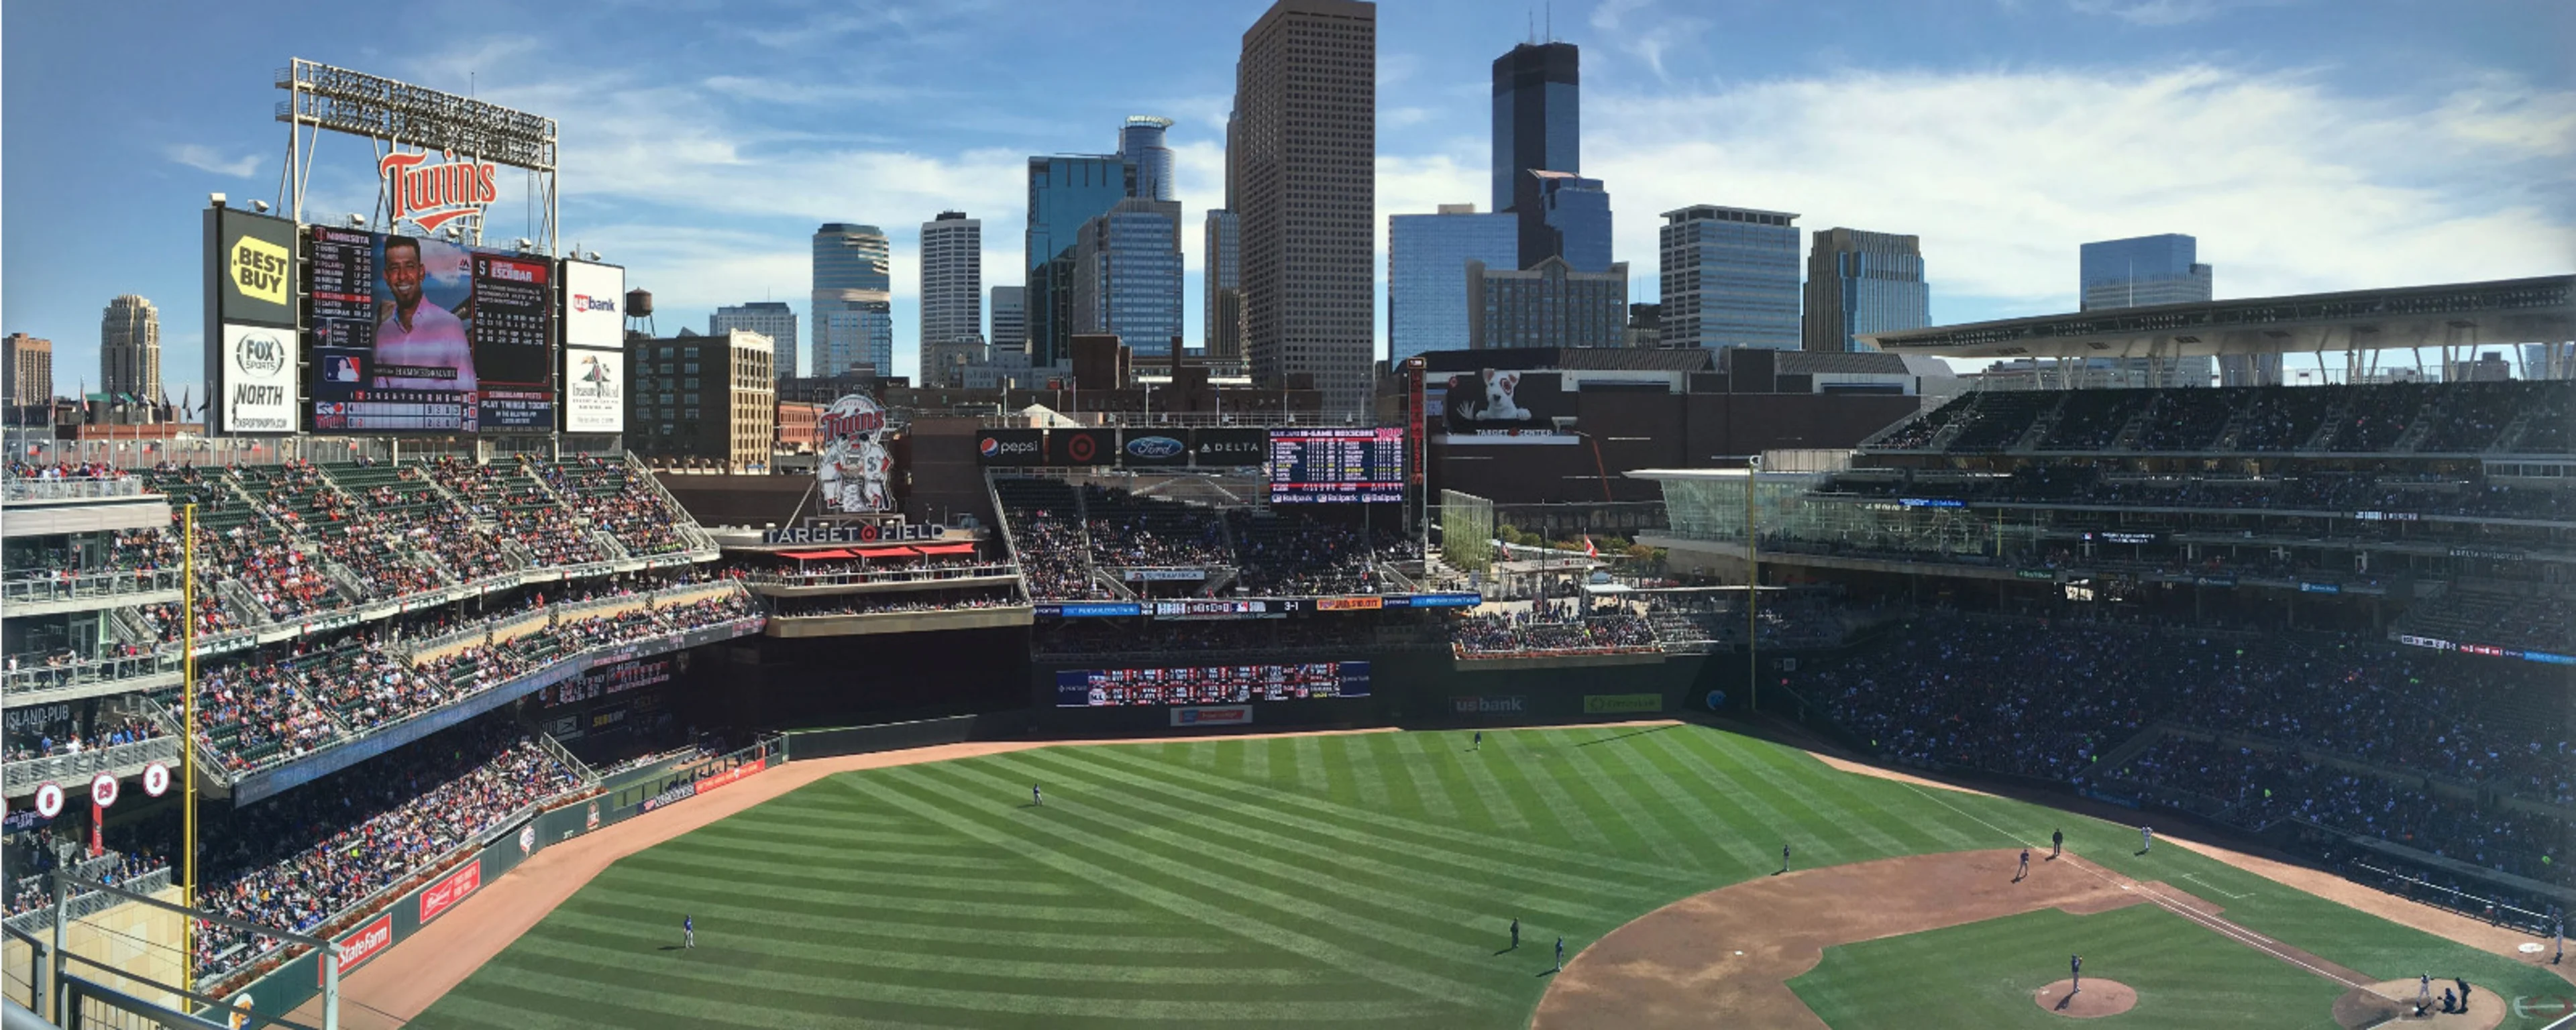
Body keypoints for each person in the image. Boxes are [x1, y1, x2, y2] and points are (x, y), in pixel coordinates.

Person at [372, 236, 476, 393]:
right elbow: (378, 395)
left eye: (409, 266)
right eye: (395, 268)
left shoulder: (450, 325)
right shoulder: (383, 333)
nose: (402, 276)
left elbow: (468, 392)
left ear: (421, 272)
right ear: (387, 277)